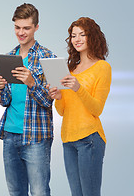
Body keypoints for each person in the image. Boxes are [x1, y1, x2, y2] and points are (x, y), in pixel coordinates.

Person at [0, 3, 56, 196]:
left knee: (39, 192)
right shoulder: (9, 57)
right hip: (10, 135)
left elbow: (49, 101)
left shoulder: (48, 57)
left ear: (36, 27)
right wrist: (0, 87)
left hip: (36, 137)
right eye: (17, 27)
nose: (21, 32)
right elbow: (5, 101)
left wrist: (32, 83)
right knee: (15, 192)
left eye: (26, 28)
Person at [48, 17, 111, 196]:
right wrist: (58, 97)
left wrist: (78, 88)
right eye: (74, 35)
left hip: (89, 139)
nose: (77, 39)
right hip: (68, 140)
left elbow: (97, 109)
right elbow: (62, 111)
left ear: (93, 37)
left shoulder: (102, 67)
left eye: (82, 34)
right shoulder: (70, 69)